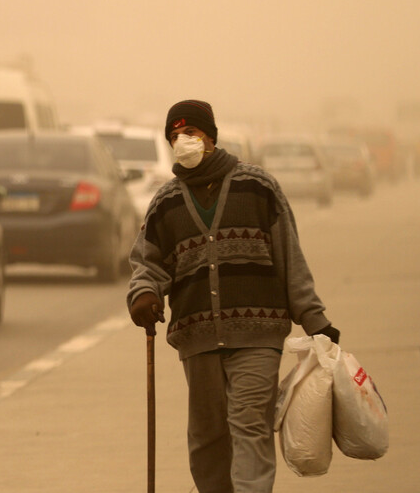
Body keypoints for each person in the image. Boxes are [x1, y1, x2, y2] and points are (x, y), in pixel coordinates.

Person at [126, 99, 340, 493]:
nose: (183, 142)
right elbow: (147, 261)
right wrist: (144, 293)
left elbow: (290, 258)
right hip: (197, 338)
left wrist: (315, 319)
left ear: (211, 137)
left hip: (258, 334)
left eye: (191, 134)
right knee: (208, 437)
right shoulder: (165, 203)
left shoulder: (258, 188)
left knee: (249, 424)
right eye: (175, 136)